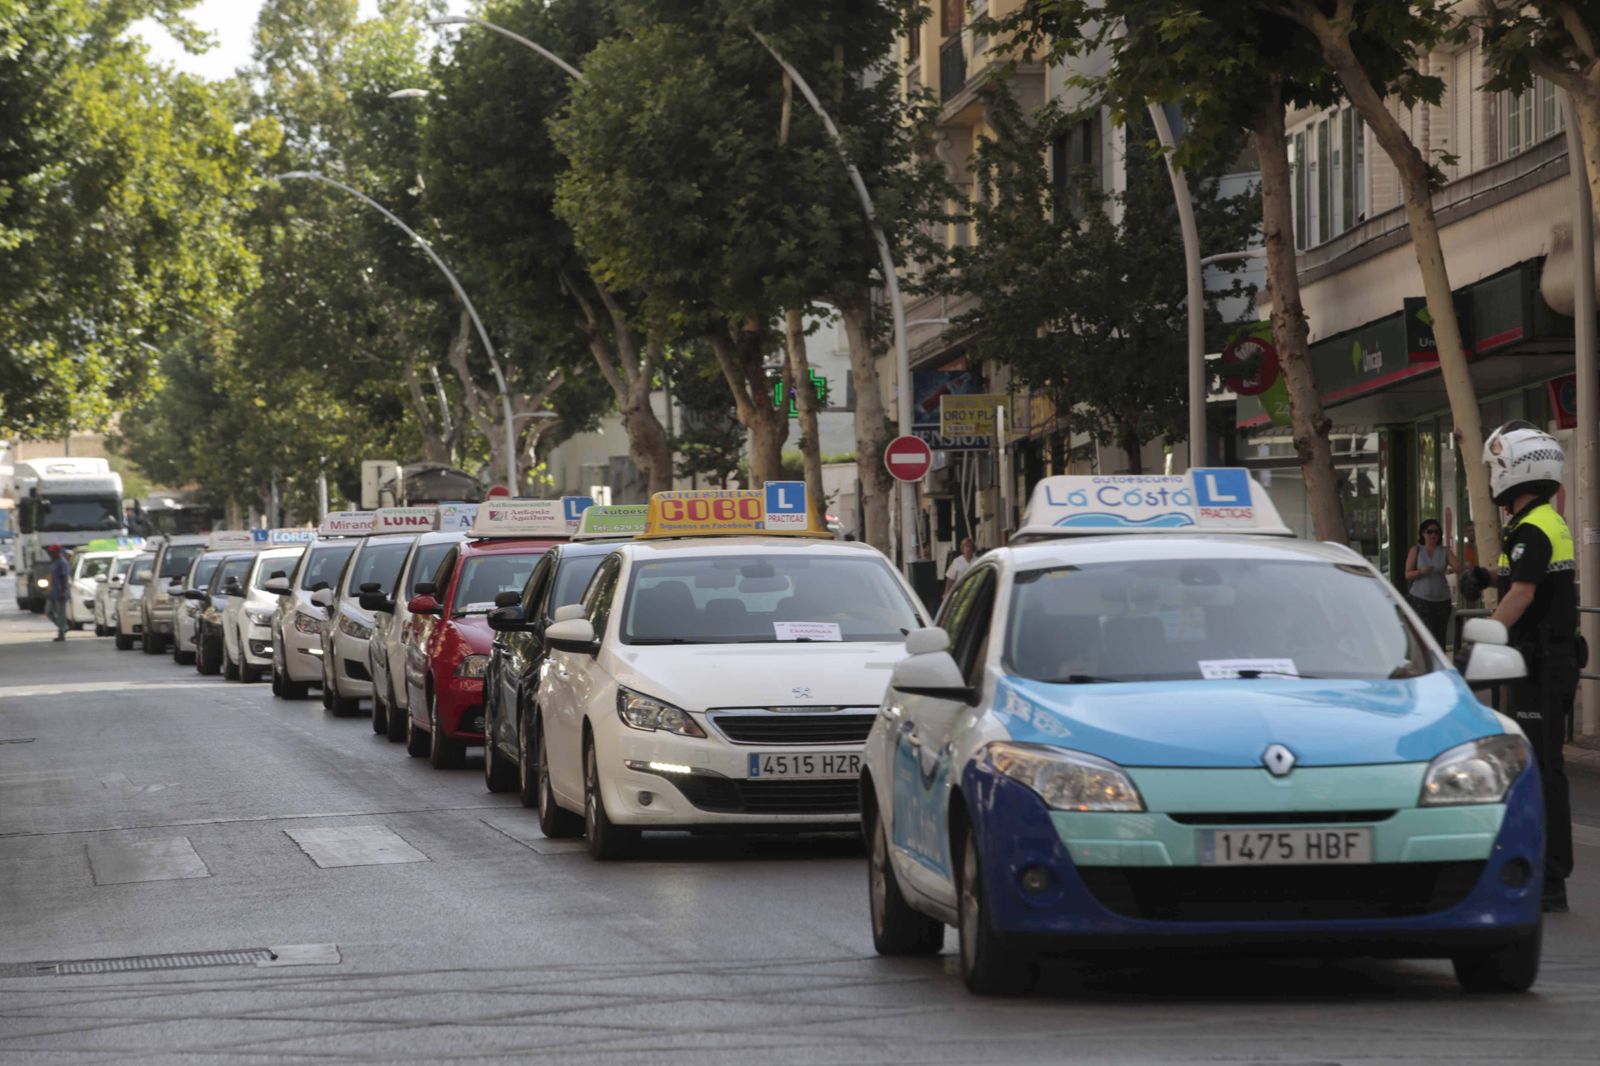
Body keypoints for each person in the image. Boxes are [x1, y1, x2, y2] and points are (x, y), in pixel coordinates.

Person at [1482, 421, 1577, 913]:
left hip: (1540, 664)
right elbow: (1517, 574)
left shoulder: (1534, 526)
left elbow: (1522, 592)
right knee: (1544, 767)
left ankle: (1550, 876)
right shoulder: (1541, 521)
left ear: (1512, 470)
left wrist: (1485, 637)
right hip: (1549, 659)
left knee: (1540, 771)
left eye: (1495, 466)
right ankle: (1550, 870)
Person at [1405, 519, 1458, 647]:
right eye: (1430, 532)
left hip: (1442, 600)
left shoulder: (1444, 551)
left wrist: (1449, 570)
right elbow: (1407, 574)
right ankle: (1425, 664)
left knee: (1440, 637)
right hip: (1420, 599)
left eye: (1436, 532)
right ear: (1423, 534)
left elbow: (1458, 567)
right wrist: (1420, 572)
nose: (1433, 535)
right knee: (1424, 636)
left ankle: (1439, 664)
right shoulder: (1416, 550)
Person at [46, 544, 71, 642]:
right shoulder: (54, 562)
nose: (51, 554)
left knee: (61, 614)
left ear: (57, 552)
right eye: (50, 552)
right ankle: (63, 627)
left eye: (53, 552)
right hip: (53, 592)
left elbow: (64, 578)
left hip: (60, 592)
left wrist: (63, 591)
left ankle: (61, 633)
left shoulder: (62, 562)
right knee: (48, 611)